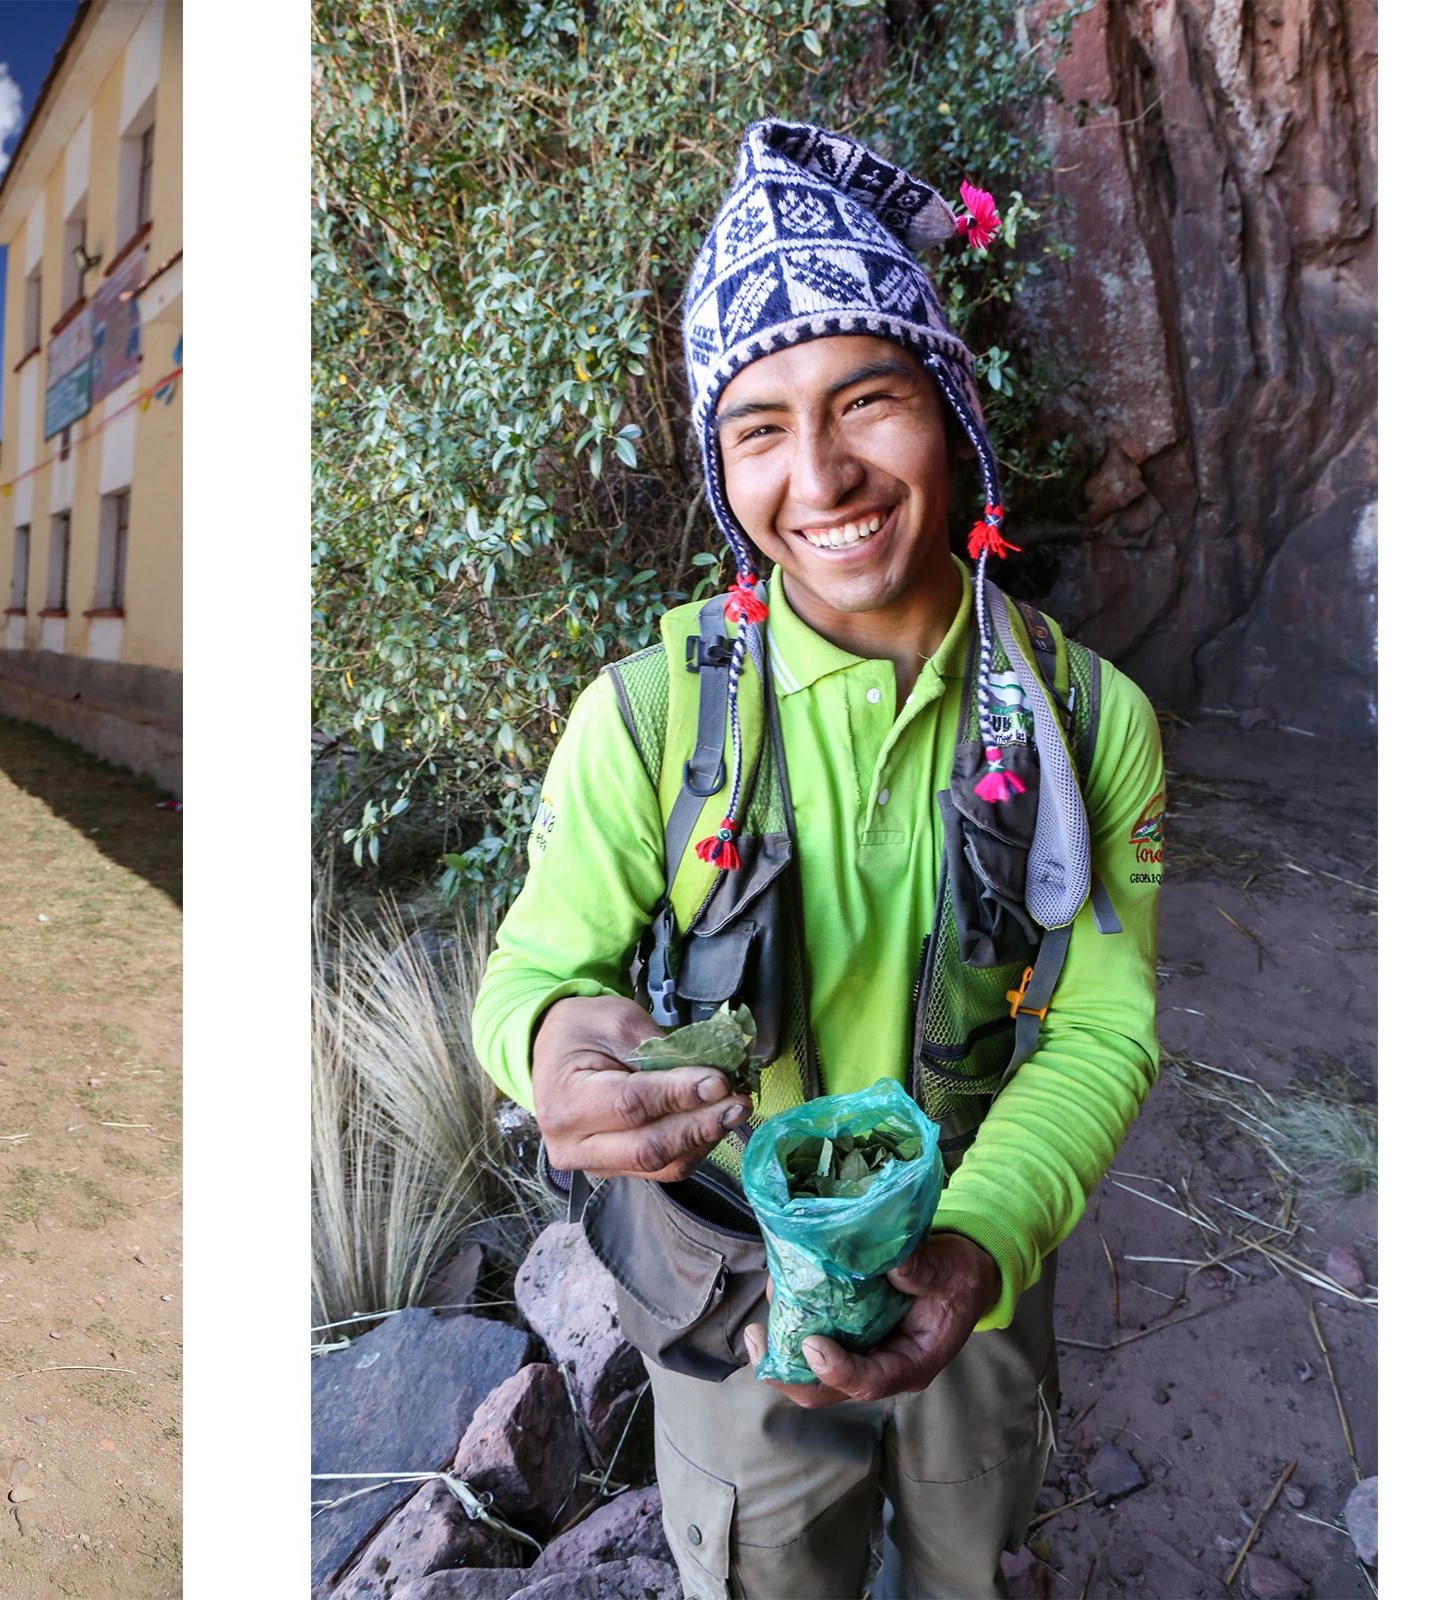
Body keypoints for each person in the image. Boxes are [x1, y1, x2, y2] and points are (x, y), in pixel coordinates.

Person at [472, 122, 1166, 1600]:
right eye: (758, 427)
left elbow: (1104, 1018)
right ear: (724, 470)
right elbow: (542, 967)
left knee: (970, 1557)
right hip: (730, 1293)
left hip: (974, 1267)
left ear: (954, 412)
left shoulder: (1088, 723)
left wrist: (980, 1245)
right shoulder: (649, 718)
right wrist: (551, 1045)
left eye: (868, 398)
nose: (823, 473)